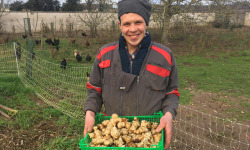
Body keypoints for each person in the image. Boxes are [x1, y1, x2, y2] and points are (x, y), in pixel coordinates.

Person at [84, 0, 179, 149]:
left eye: (138, 22)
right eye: (127, 24)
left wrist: (168, 115)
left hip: (148, 137)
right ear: (119, 25)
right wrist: (90, 113)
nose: (133, 29)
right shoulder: (104, 54)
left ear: (146, 23)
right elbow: (94, 89)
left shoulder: (164, 56)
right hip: (113, 139)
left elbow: (172, 92)